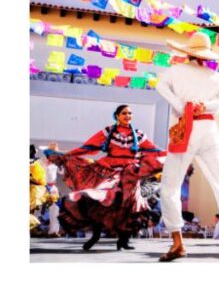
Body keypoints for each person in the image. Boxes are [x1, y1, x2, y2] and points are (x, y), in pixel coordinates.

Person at [155, 32, 219, 262]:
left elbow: (160, 86)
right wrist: (205, 106)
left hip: (185, 129)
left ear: (187, 52)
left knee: (170, 185)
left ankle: (177, 243)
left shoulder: (175, 71)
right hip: (209, 129)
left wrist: (183, 106)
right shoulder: (215, 76)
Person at [45, 105, 165, 251]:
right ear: (117, 116)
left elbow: (154, 150)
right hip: (108, 170)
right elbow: (87, 148)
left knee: (130, 205)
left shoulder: (138, 134)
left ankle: (123, 240)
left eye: (130, 113)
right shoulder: (108, 132)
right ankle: (95, 236)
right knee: (101, 203)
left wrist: (172, 154)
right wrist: (66, 155)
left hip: (130, 173)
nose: (128, 115)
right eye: (124, 113)